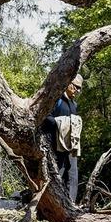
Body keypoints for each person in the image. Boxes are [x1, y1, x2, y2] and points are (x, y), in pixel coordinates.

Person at [42, 74, 84, 202]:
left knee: (73, 175)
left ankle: (70, 204)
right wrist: (61, 123)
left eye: (79, 88)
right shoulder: (56, 100)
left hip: (71, 145)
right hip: (56, 146)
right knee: (57, 174)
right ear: (68, 84)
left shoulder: (73, 104)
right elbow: (45, 118)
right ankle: (53, 204)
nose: (77, 90)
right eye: (75, 87)